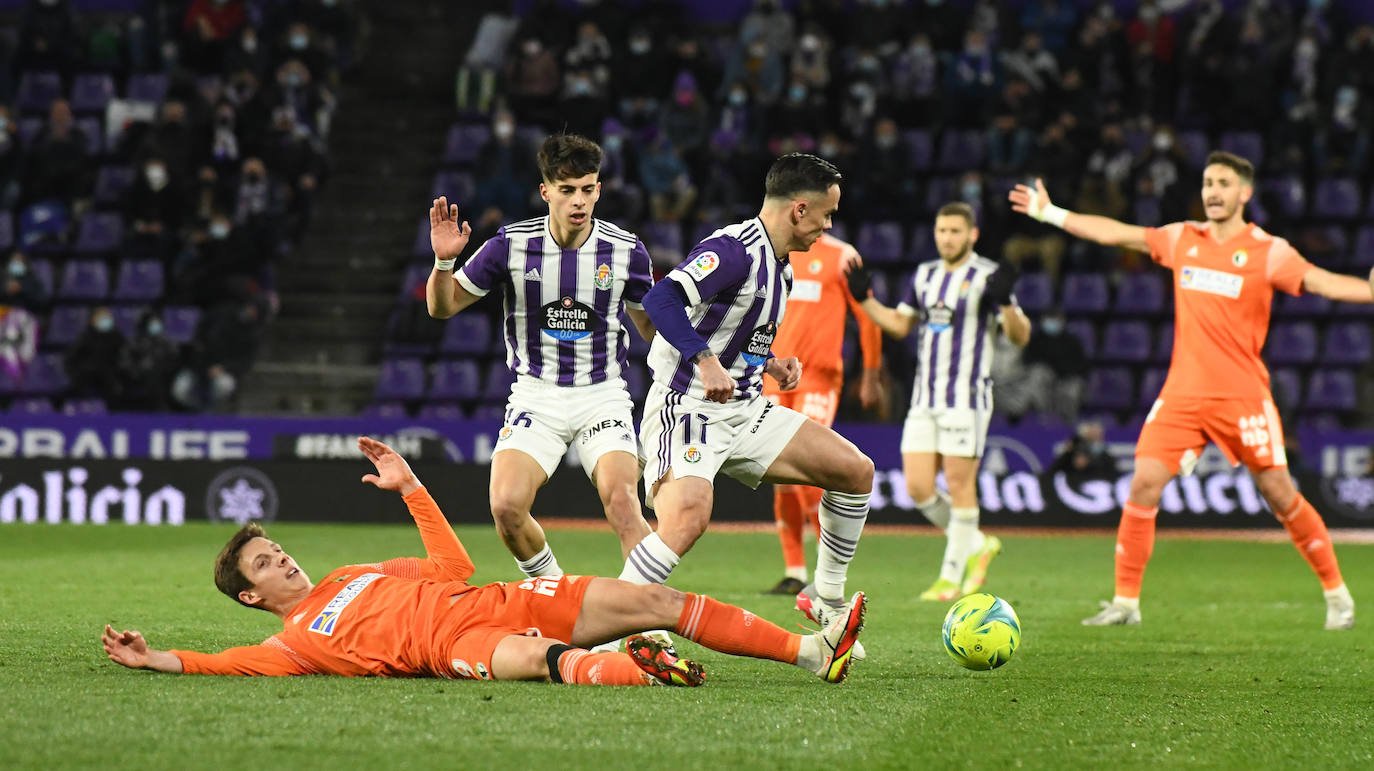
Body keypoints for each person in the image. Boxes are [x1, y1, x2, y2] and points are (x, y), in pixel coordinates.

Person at [101, 437, 865, 686]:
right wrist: (155, 658)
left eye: (280, 550)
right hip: (457, 647)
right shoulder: (288, 644)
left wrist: (412, 487)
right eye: (268, 562)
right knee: (537, 659)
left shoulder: (352, 577)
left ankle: (810, 651)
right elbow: (221, 664)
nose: (286, 562)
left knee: (660, 602)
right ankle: (636, 668)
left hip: (501, 596)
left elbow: (452, 562)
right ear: (250, 594)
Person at [1009, 151, 1370, 630]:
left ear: (1245, 192)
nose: (1213, 191)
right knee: (1143, 482)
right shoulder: (1184, 238)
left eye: (1223, 183)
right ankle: (1125, 604)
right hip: (1182, 394)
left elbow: (1320, 281)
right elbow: (1119, 233)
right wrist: (1050, 213)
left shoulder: (1268, 250)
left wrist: (1366, 291)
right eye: (1207, 182)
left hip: (1242, 395)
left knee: (1280, 494)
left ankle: (1337, 594)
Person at [631, 152, 874, 635]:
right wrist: (703, 358)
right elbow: (661, 299)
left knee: (854, 471)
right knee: (687, 520)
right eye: (826, 215)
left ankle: (826, 599)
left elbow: (736, 334)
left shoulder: (782, 266)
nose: (827, 227)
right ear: (798, 210)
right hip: (688, 406)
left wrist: (770, 362)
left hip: (746, 409)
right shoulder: (734, 250)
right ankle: (612, 628)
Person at [426, 134, 658, 602]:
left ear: (599, 190)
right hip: (536, 394)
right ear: (545, 190)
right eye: (568, 189)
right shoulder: (509, 246)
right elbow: (442, 307)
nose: (580, 201)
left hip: (602, 394)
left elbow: (651, 330)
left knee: (622, 502)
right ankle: (557, 595)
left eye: (588, 189)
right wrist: (444, 261)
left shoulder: (626, 251)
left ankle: (646, 621)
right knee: (507, 508)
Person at [846, 202, 1031, 602]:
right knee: (917, 488)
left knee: (960, 484)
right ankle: (978, 544)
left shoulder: (987, 276)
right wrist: (865, 300)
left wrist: (1007, 304)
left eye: (955, 231)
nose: (947, 238)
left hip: (966, 398)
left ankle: (949, 578)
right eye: (942, 231)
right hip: (924, 397)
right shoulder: (926, 275)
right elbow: (899, 324)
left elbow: (1021, 336)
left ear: (972, 235)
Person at [761, 231, 883, 595]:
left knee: (811, 472)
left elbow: (868, 316)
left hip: (819, 378)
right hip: (773, 377)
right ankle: (794, 571)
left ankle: (824, 572)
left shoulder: (844, 256)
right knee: (779, 474)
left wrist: (872, 373)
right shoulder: (774, 250)